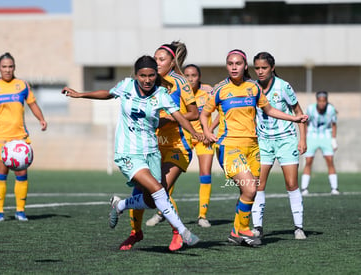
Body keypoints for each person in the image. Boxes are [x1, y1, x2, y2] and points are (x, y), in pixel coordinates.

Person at [62, 55, 201, 249]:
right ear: (136, 75)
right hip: (127, 153)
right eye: (142, 76)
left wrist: (195, 132)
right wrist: (80, 94)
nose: (146, 80)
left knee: (151, 201)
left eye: (151, 75)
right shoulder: (126, 86)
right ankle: (184, 232)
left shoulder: (161, 94)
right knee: (159, 190)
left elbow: (179, 116)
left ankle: (120, 205)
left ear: (156, 76)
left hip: (151, 152)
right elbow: (108, 93)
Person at [200, 49, 308, 247]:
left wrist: (294, 118)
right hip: (229, 146)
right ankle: (243, 229)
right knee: (250, 188)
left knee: (250, 191)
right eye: (230, 63)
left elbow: (269, 110)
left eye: (238, 63)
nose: (234, 67)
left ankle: (236, 232)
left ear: (244, 66)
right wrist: (207, 132)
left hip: (253, 146)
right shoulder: (220, 89)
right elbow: (204, 114)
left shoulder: (253, 88)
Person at [122, 41, 200, 251]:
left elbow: (194, 113)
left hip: (177, 147)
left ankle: (178, 233)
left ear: (172, 62)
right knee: (140, 192)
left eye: (161, 60)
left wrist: (170, 119)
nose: (156, 63)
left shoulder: (180, 83)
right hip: (151, 146)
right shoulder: (150, 82)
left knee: (160, 190)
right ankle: (135, 232)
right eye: (155, 59)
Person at [0, 52, 47, 222]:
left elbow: (33, 104)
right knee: (1, 172)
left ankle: (20, 211)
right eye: (4, 67)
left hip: (20, 137)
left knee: (21, 172)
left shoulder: (22, 85)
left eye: (10, 66)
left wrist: (41, 119)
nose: (7, 70)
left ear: (14, 67)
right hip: (0, 137)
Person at [250, 52, 307, 240]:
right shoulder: (251, 87)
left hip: (286, 140)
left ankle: (298, 227)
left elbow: (298, 113)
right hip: (263, 141)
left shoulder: (283, 86)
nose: (260, 71)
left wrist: (302, 139)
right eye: (257, 68)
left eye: (264, 68)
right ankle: (257, 226)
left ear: (272, 68)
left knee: (291, 184)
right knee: (258, 184)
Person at [183, 64, 216, 228]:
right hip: (185, 137)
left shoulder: (208, 91)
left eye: (194, 75)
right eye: (187, 75)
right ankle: (162, 212)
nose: (190, 79)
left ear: (199, 77)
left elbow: (221, 108)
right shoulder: (180, 92)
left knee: (205, 173)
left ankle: (202, 216)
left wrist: (209, 130)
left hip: (204, 139)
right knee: (171, 171)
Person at [301, 91, 339, 195]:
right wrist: (304, 138)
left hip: (326, 136)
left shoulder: (331, 109)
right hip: (312, 135)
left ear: (327, 101)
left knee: (330, 160)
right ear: (317, 100)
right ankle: (304, 188)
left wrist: (334, 139)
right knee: (308, 161)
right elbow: (305, 123)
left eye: (324, 101)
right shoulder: (310, 109)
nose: (322, 103)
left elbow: (334, 124)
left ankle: (334, 188)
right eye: (320, 101)